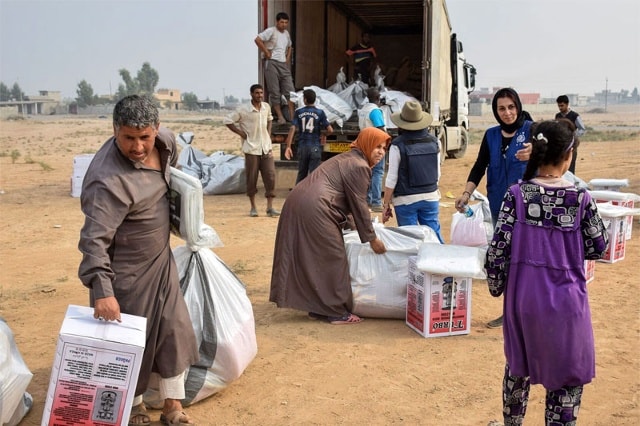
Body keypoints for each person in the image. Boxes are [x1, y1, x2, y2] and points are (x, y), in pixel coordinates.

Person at [78, 95, 199, 426]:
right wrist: (103, 291)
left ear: (156, 129)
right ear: (115, 130)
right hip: (125, 274)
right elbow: (93, 241)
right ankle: (133, 406)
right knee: (130, 343)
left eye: (144, 137)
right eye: (128, 137)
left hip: (161, 261)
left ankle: (173, 405)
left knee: (173, 330)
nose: (137, 146)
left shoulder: (166, 143)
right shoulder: (107, 180)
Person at [484, 119, 608, 426]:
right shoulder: (581, 199)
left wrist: (497, 287)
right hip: (567, 304)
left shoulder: (517, 195)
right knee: (566, 378)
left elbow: (497, 252)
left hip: (524, 301)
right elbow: (599, 246)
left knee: (517, 369)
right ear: (568, 157)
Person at [269, 127, 390, 325]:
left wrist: (353, 226)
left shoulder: (349, 158)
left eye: (384, 148)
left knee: (314, 257)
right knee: (334, 256)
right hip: (315, 208)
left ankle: (319, 307)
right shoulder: (359, 166)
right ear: (366, 144)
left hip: (301, 202)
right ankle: (336, 311)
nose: (380, 152)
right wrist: (372, 239)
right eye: (377, 146)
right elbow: (359, 206)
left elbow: (350, 204)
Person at [454, 87, 533, 329]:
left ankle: (530, 313)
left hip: (528, 211)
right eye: (502, 108)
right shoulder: (491, 136)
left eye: (511, 107)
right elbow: (479, 166)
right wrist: (466, 193)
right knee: (505, 260)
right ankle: (510, 313)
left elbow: (567, 140)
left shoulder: (532, 130)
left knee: (528, 261)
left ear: (518, 106)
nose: (507, 112)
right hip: (500, 208)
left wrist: (537, 151)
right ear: (495, 111)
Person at [381, 101, 444, 243]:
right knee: (434, 235)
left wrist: (386, 204)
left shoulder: (397, 145)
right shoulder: (435, 142)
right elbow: (437, 174)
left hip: (405, 200)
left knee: (410, 241)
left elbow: (392, 178)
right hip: (431, 196)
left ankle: (414, 266)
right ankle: (441, 261)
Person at [224, 84, 280, 218]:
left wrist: (268, 135)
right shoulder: (243, 109)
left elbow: (270, 120)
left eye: (261, 93)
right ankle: (253, 207)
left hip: (266, 148)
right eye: (257, 93)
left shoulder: (266, 107)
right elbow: (227, 120)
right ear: (251, 94)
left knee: (270, 176)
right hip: (251, 149)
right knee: (252, 178)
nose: (259, 95)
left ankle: (270, 207)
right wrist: (240, 133)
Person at [284, 88, 334, 184]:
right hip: (314, 146)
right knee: (314, 175)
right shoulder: (320, 112)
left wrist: (288, 146)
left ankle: (298, 195)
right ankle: (312, 196)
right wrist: (324, 134)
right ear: (315, 100)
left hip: (302, 147)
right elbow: (330, 130)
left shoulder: (298, 112)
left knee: (301, 174)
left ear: (305, 100)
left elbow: (292, 128)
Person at [255, 11, 295, 124]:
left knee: (290, 91)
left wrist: (287, 59)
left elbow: (290, 46)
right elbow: (257, 40)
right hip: (271, 63)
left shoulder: (286, 34)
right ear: (277, 22)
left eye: (286, 22)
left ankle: (292, 116)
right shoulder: (271, 31)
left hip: (282, 64)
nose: (284, 24)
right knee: (275, 91)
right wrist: (266, 52)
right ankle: (280, 116)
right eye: (282, 22)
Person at [358, 87, 386, 212]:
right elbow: (380, 128)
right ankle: (376, 202)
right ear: (378, 98)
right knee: (378, 173)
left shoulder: (363, 110)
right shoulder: (375, 111)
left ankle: (367, 200)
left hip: (364, 145)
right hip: (375, 145)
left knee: (368, 173)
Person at [555, 94, 586, 174]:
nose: (560, 108)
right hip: (560, 147)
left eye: (562, 105)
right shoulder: (558, 116)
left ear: (567, 104)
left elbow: (582, 129)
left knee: (570, 168)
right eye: (559, 106)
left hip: (571, 146)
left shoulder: (575, 116)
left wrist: (573, 137)